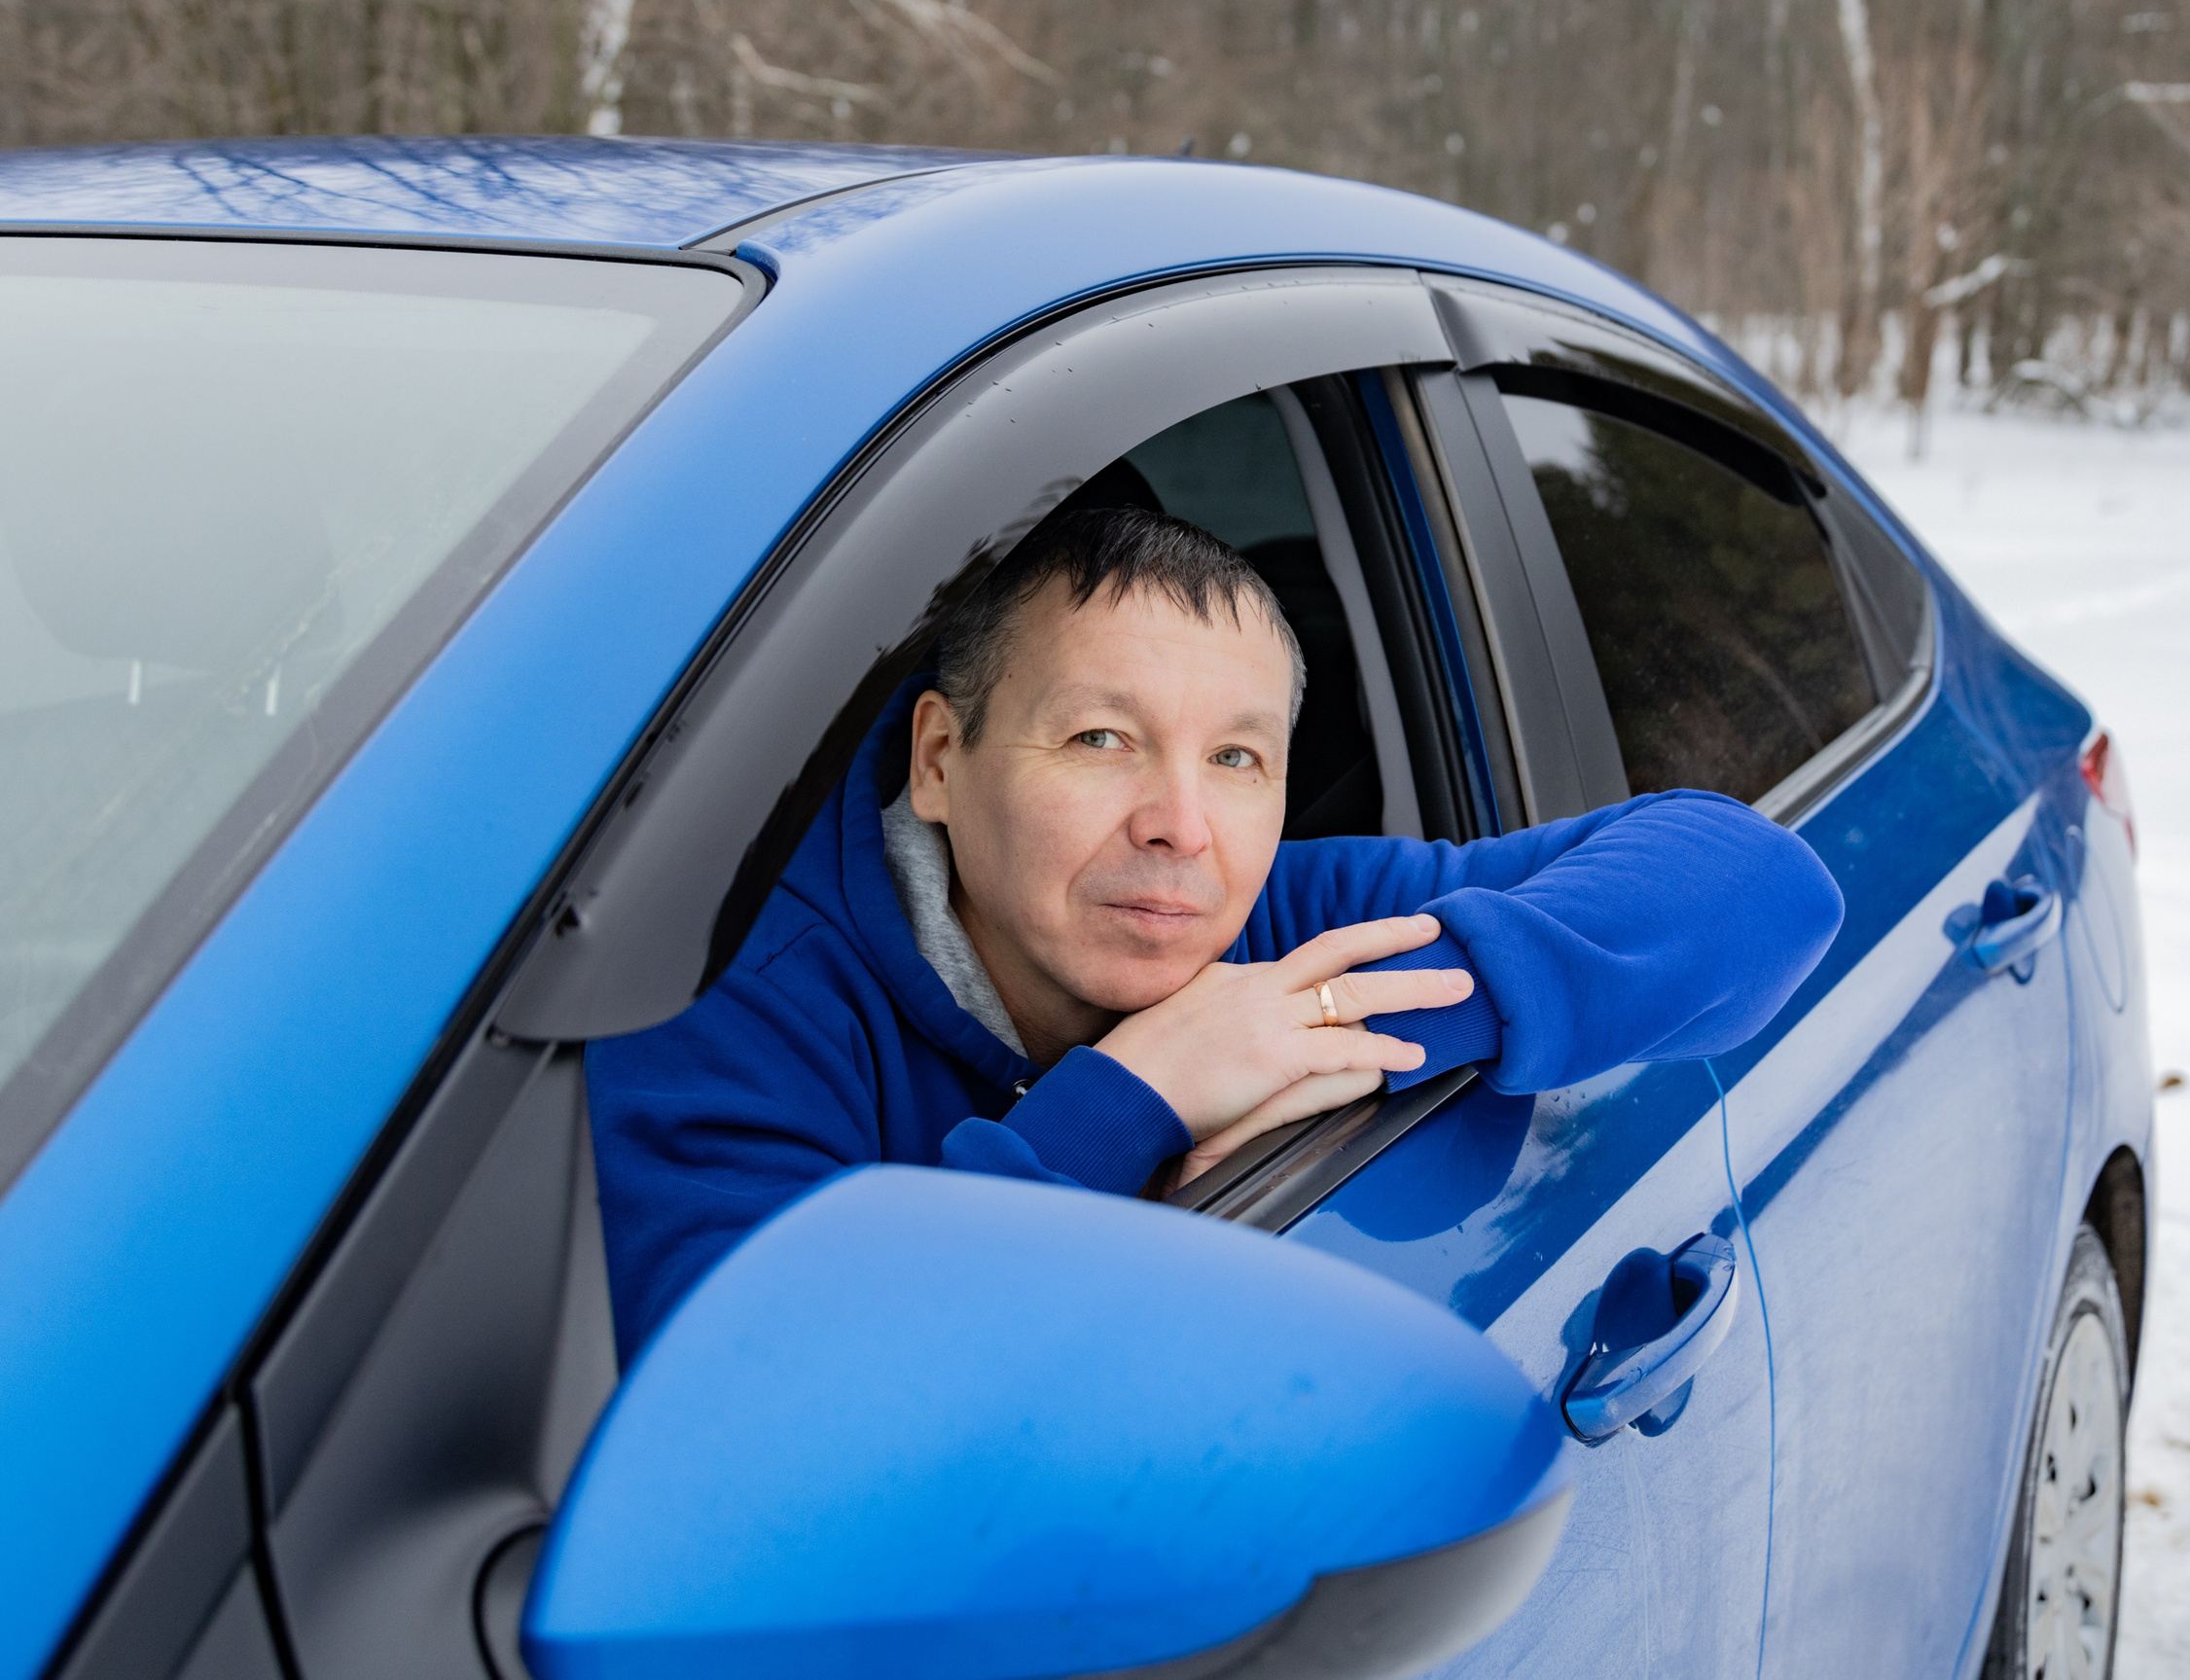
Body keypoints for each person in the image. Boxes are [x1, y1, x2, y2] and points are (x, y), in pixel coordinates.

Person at [588, 507, 1844, 1361]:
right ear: (938, 759)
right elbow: (750, 1417)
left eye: (1237, 758)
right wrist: (1132, 1096)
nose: (1181, 827)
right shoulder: (731, 1005)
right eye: (1101, 739)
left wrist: (1359, 1013)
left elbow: (1760, 886)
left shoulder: (1285, 924)